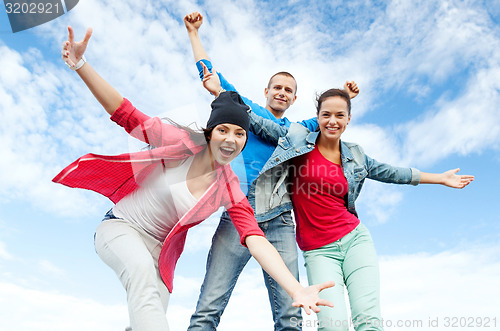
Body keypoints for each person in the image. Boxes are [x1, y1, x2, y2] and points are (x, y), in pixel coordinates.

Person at [53, 26, 335, 331]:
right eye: (223, 130)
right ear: (210, 131)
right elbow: (126, 114)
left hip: (160, 254)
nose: (231, 139)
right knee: (143, 285)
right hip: (120, 228)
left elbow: (254, 239)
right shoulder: (178, 141)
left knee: (147, 316)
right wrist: (81, 64)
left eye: (240, 133)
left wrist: (296, 289)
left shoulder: (229, 186)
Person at [234, 87, 474, 331]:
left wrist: (440, 178)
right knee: (332, 325)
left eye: (340, 115)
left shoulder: (356, 155)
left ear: (348, 119)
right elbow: (261, 124)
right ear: (317, 117)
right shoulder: (297, 141)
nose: (332, 121)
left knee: (369, 322)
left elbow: (393, 173)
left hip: (355, 241)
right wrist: (222, 93)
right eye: (326, 114)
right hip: (319, 251)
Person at [184, 12, 359, 330]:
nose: (281, 92)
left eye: (288, 90)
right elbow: (209, 75)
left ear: (294, 99)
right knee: (209, 307)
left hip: (279, 221)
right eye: (277, 87)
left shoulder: (299, 129)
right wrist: (194, 33)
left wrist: (345, 95)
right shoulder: (244, 110)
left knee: (292, 312)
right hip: (239, 213)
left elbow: (330, 119)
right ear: (267, 90)